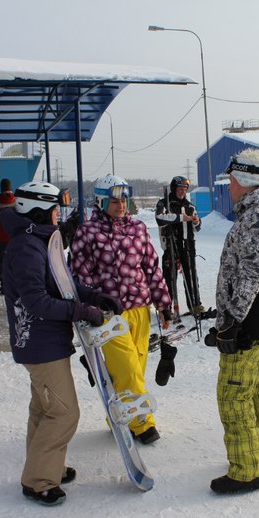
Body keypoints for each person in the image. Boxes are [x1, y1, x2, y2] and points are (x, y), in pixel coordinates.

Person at [0, 181, 122, 506]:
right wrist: (81, 310)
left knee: (44, 408)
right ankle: (38, 480)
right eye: (56, 208)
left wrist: (94, 295)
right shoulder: (27, 247)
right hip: (40, 345)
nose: (60, 214)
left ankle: (46, 465)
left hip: (46, 341)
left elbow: (63, 283)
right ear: (40, 210)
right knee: (64, 412)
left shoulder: (42, 241)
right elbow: (37, 301)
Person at [206, 147, 259, 494]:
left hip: (251, 324)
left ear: (245, 181)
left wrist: (233, 323)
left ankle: (247, 470)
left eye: (231, 180)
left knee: (233, 394)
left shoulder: (257, 218)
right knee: (257, 388)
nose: (228, 187)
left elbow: (253, 274)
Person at [70, 175, 172, 445]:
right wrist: (92, 307)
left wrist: (163, 304)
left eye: (124, 200)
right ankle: (143, 423)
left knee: (134, 368)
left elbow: (151, 268)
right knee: (126, 368)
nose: (121, 205)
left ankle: (118, 414)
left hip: (140, 309)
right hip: (108, 316)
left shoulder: (138, 229)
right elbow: (79, 277)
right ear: (101, 201)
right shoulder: (87, 233)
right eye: (114, 200)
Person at [155, 175, 205, 317]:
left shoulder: (190, 206)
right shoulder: (165, 204)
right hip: (171, 244)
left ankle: (195, 305)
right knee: (169, 277)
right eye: (180, 188)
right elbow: (160, 218)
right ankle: (166, 308)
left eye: (185, 189)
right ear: (174, 188)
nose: (183, 191)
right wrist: (180, 217)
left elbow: (198, 228)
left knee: (191, 275)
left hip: (188, 245)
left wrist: (195, 221)